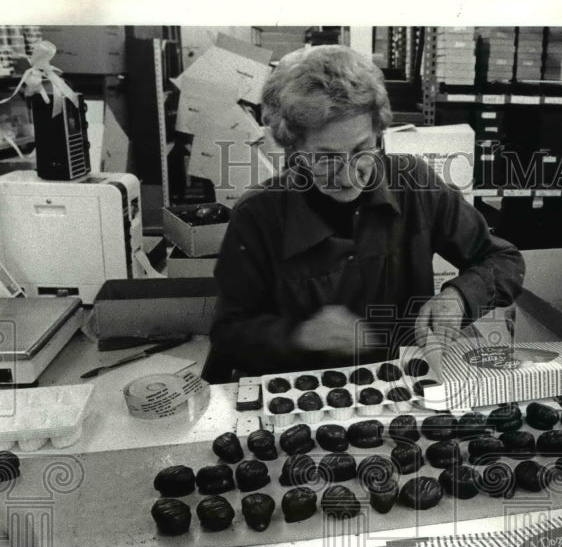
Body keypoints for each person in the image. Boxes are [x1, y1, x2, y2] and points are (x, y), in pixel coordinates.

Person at [208, 44, 525, 378]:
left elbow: (504, 261)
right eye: (326, 157)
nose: (348, 176)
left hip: (404, 389)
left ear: (379, 133)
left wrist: (460, 297)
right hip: (306, 400)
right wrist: (300, 334)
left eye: (362, 149)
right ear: (294, 149)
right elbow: (228, 333)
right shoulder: (257, 215)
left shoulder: (414, 184)